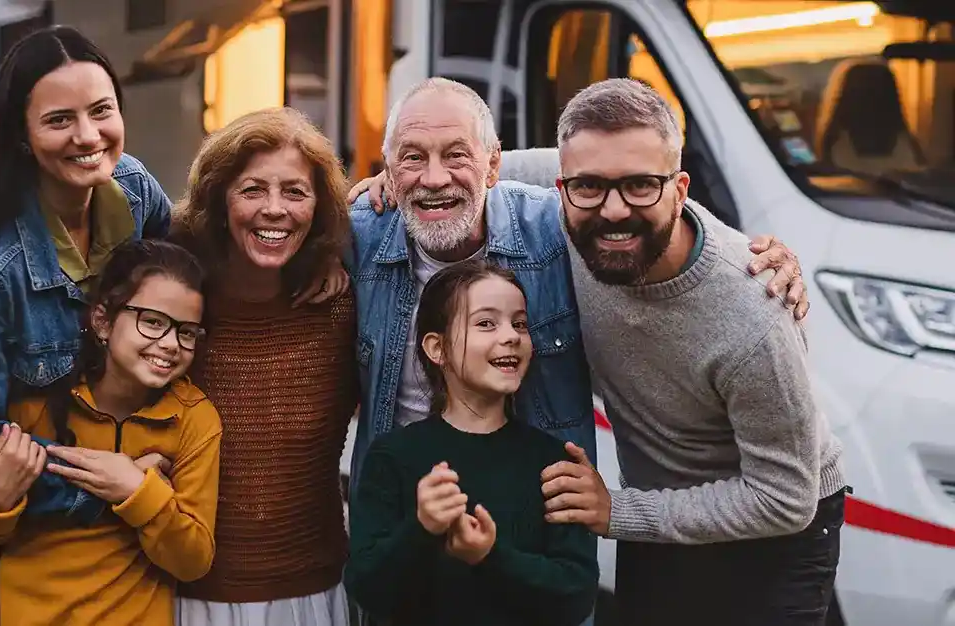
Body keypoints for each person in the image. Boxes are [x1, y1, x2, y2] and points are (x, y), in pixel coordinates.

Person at [343, 76, 810, 492]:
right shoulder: (358, 233)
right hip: (397, 521)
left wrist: (737, 251)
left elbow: (637, 181)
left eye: (455, 155)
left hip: (536, 524)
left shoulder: (556, 228)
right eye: (412, 157)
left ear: (492, 166)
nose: (434, 177)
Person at [517, 78, 844, 626]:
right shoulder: (575, 201)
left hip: (779, 529)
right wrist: (385, 185)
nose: (614, 210)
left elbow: (786, 498)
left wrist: (617, 511)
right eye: (590, 186)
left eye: (641, 186)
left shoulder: (754, 315)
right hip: (663, 508)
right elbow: (475, 165)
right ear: (563, 184)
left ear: (680, 188)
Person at [0, 26, 174, 626]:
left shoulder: (137, 193)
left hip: (67, 510)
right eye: (59, 120)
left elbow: (197, 276)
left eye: (102, 111)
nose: (88, 136)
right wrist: (110, 479)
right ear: (21, 135)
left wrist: (353, 214)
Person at [0, 239, 221, 626]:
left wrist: (136, 489)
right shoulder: (37, 403)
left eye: (187, 332)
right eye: (152, 321)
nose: (169, 344)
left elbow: (193, 560)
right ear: (103, 321)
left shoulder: (194, 419)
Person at [168, 107, 357, 626]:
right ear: (218, 199)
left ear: (319, 207)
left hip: (312, 595)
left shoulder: (341, 307)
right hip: (188, 595)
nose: (274, 209)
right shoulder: (177, 306)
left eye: (295, 192)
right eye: (252, 190)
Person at [345, 260, 598, 626]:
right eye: (486, 323)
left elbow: (576, 598)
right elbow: (368, 588)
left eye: (520, 323)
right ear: (437, 348)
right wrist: (422, 527)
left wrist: (489, 555)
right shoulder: (393, 456)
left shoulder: (553, 463)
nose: (511, 335)